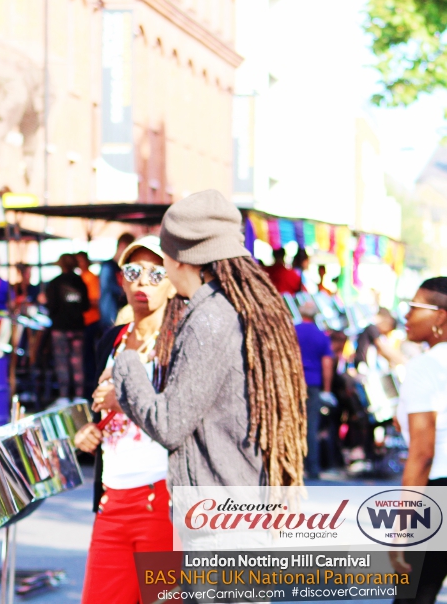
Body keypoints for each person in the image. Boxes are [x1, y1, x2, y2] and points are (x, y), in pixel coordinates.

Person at [114, 190, 308, 489]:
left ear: (180, 258)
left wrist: (128, 360)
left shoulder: (209, 318)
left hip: (218, 517)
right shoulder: (228, 308)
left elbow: (168, 425)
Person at [73, 236, 183, 604]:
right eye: (133, 271)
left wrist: (125, 401)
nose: (142, 282)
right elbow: (105, 411)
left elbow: (182, 414)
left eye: (156, 273)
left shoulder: (180, 342)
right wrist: (91, 430)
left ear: (171, 282)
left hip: (162, 500)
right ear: (121, 280)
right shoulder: (111, 341)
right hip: (111, 499)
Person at [389, 277, 447, 604]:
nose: (406, 317)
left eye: (413, 308)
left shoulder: (426, 367)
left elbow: (422, 454)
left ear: (440, 316)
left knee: (413, 596)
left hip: (438, 492)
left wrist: (401, 532)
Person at [294, 300, 334, 480]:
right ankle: (313, 467)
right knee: (311, 426)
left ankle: (293, 465)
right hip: (313, 384)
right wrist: (327, 389)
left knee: (291, 423)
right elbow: (327, 363)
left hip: (293, 382)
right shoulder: (321, 335)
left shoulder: (292, 331)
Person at [46, 254, 90, 403]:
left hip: (60, 328)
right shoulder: (80, 282)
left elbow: (51, 307)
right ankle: (78, 395)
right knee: (77, 362)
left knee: (62, 363)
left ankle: (64, 396)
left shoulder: (54, 283)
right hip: (77, 327)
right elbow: (86, 305)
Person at [76, 251, 102, 395]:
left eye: (80, 261)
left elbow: (94, 300)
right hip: (83, 322)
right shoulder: (80, 278)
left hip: (91, 321)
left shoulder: (91, 278)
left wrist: (79, 303)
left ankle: (90, 389)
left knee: (88, 358)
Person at [99, 232, 136, 330]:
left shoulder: (124, 267)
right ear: (123, 245)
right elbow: (107, 286)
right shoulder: (108, 266)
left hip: (122, 314)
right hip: (111, 315)